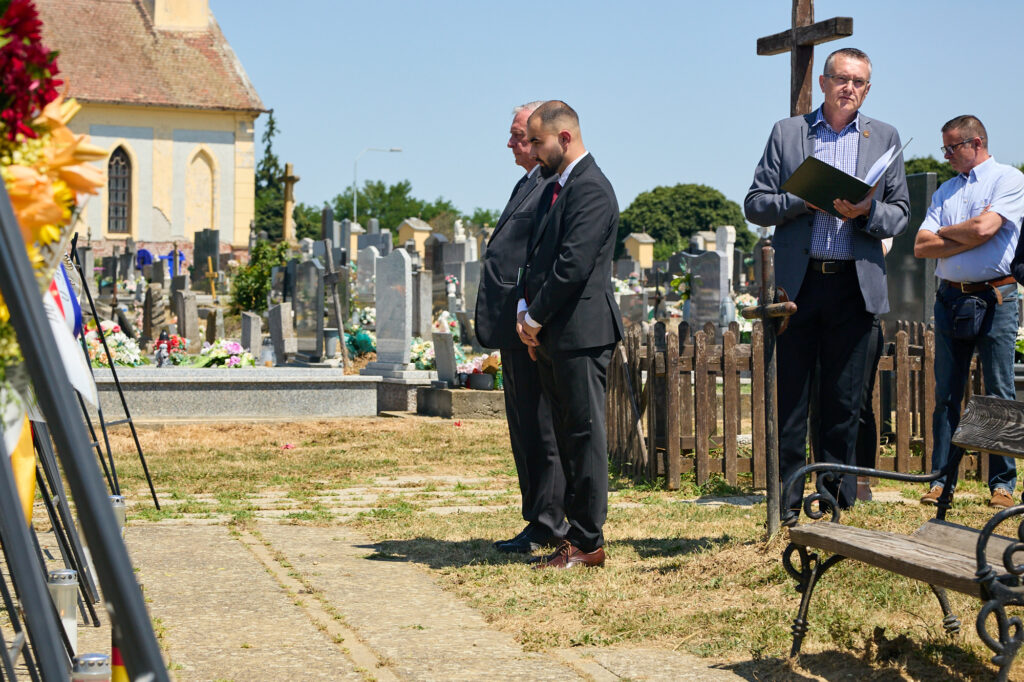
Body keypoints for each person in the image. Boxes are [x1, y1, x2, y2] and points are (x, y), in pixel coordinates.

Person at [744, 47, 910, 513]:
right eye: (841, 79)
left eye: (859, 82)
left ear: (868, 89)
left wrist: (867, 212)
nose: (849, 89)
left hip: (854, 288)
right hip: (798, 287)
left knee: (843, 406)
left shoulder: (886, 138)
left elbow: (900, 214)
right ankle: (787, 506)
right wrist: (801, 202)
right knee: (791, 403)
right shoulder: (788, 133)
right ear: (822, 82)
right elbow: (755, 202)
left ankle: (834, 507)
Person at [518, 100, 623, 569]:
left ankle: (588, 542)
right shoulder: (556, 186)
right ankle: (574, 537)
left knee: (583, 437)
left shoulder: (592, 189)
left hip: (581, 332)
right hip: (555, 334)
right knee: (565, 436)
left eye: (537, 141)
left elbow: (573, 265)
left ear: (564, 137)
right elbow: (537, 259)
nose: (532, 151)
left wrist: (535, 318)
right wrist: (525, 308)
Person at [914, 115, 1024, 508]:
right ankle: (941, 480)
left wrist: (950, 233)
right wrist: (968, 233)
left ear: (974, 143)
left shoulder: (1008, 179)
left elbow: (984, 230)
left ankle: (1002, 485)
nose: (945, 156)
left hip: (995, 297)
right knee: (946, 394)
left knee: (999, 392)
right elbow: (922, 246)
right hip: (949, 298)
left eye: (950, 147)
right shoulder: (945, 189)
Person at [474, 102, 567, 553]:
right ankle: (536, 517)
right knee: (524, 428)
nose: (511, 144)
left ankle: (552, 521)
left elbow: (544, 258)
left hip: (531, 327)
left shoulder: (553, 185)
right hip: (512, 326)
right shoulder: (527, 182)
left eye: (518, 136)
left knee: (541, 427)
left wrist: (535, 318)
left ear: (538, 138)